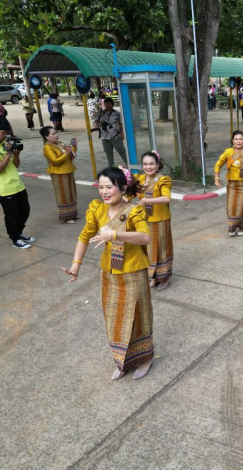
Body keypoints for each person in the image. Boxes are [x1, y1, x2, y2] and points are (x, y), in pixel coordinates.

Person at [62, 166, 154, 381]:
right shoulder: (97, 209)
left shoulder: (134, 211)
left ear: (122, 188)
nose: (104, 191)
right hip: (109, 274)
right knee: (115, 319)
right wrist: (76, 265)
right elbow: (84, 237)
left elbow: (145, 237)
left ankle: (145, 358)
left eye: (109, 187)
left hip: (134, 272)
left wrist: (114, 234)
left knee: (138, 318)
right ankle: (123, 360)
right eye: (101, 187)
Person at [0, 118, 34, 249]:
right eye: (3, 133)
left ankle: (19, 232)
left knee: (25, 210)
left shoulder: (4, 144)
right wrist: (8, 154)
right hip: (3, 187)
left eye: (6, 133)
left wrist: (16, 155)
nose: (5, 136)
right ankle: (15, 238)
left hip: (17, 184)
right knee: (12, 215)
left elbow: (15, 165)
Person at [134, 152, 173, 290]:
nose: (148, 167)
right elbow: (130, 193)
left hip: (160, 220)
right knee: (148, 248)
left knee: (161, 248)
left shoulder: (162, 180)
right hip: (145, 220)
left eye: (151, 164)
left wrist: (147, 201)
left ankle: (164, 277)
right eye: (145, 164)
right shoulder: (140, 179)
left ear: (157, 165)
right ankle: (153, 276)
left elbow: (167, 198)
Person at [40, 126, 78, 224]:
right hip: (58, 173)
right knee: (63, 194)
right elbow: (55, 161)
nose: (56, 135)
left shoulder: (60, 143)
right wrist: (66, 153)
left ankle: (73, 214)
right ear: (46, 136)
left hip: (68, 170)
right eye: (53, 134)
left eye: (56, 133)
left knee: (71, 193)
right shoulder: (47, 148)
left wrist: (74, 147)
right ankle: (66, 216)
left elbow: (71, 156)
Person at [95, 97, 128, 167]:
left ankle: (129, 165)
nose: (107, 105)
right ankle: (111, 168)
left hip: (116, 136)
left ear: (112, 104)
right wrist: (100, 124)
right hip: (105, 137)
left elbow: (121, 124)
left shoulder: (117, 113)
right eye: (106, 104)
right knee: (108, 154)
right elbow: (96, 121)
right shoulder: (101, 113)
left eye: (109, 103)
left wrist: (122, 134)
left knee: (122, 151)